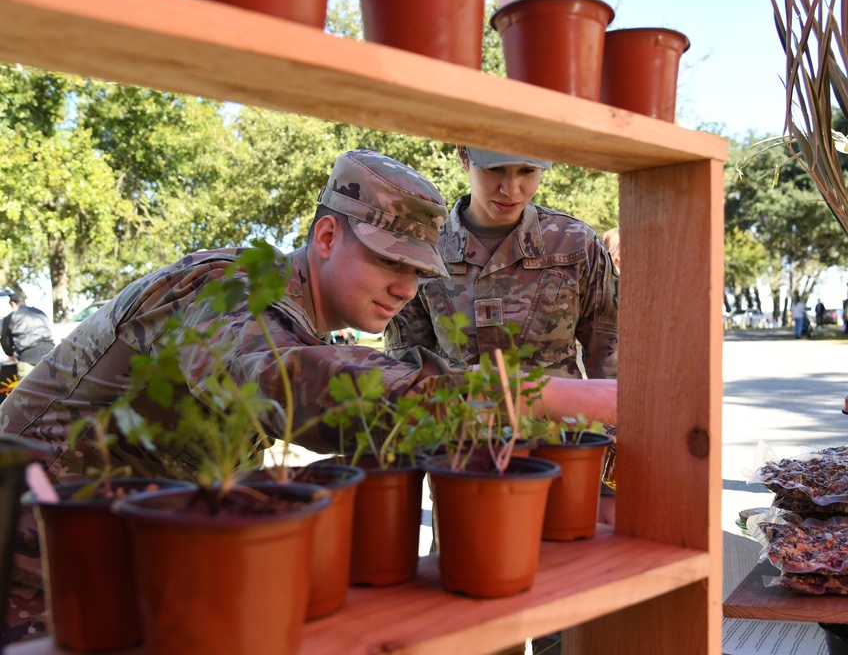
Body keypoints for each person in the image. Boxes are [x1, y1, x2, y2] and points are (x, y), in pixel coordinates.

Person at [0, 149, 617, 644]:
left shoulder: (293, 313)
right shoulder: (227, 287)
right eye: (388, 263)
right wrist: (550, 395)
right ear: (326, 235)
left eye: (420, 274)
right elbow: (298, 383)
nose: (407, 290)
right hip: (31, 563)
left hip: (114, 556)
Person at [384, 146, 619, 380]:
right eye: (495, 169)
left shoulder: (575, 244)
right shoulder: (426, 247)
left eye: (527, 170)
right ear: (463, 156)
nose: (511, 189)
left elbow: (612, 362)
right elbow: (407, 370)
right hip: (459, 415)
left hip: (558, 417)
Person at [1, 291, 56, 380]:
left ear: (13, 304)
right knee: (52, 387)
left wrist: (10, 354)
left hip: (27, 357)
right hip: (51, 353)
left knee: (27, 390)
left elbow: (5, 341)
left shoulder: (11, 316)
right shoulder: (40, 312)